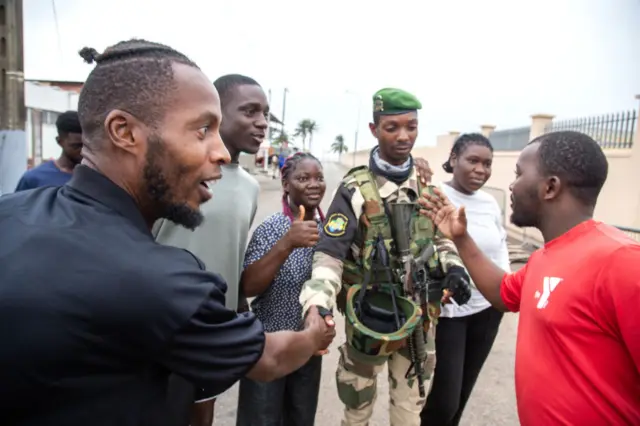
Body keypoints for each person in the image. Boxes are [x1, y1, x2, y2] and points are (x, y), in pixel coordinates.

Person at [0, 39, 335, 426]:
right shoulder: (161, 281)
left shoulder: (9, 213)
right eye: (202, 130)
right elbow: (271, 357)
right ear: (124, 132)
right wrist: (315, 334)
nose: (221, 152)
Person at [419, 130, 640, 426]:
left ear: (549, 187)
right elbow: (502, 292)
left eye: (519, 174)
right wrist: (461, 238)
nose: (511, 184)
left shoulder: (622, 263)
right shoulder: (543, 257)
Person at [298, 87, 472, 426]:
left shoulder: (428, 189)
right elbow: (329, 254)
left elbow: (442, 241)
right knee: (357, 406)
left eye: (411, 126)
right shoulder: (355, 190)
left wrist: (455, 270)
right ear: (374, 130)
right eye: (392, 127)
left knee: (409, 412)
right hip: (369, 316)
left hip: (418, 318)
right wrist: (317, 303)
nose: (403, 136)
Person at [152, 73, 268, 426]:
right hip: (161, 331)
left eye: (265, 113)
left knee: (203, 415)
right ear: (215, 113)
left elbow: (230, 254)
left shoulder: (250, 187)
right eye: (249, 111)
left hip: (212, 333)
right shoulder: (178, 174)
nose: (262, 123)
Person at [421, 133, 509, 426]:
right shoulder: (434, 195)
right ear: (454, 159)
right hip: (450, 312)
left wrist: (505, 291)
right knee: (444, 401)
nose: (481, 170)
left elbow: (501, 247)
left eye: (487, 164)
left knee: (461, 397)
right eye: (473, 160)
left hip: (488, 309)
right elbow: (424, 247)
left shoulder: (489, 203)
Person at [236, 152, 327, 426]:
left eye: (319, 178)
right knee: (260, 419)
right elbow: (249, 286)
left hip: (308, 349)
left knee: (300, 418)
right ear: (286, 184)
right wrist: (287, 243)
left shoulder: (330, 232)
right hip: (267, 346)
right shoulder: (272, 229)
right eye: (303, 178)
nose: (313, 184)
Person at [14, 110, 83, 191]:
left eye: (87, 145)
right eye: (76, 146)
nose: (83, 151)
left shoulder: (96, 177)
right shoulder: (34, 179)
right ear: (60, 142)